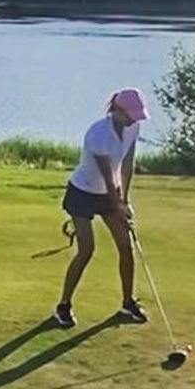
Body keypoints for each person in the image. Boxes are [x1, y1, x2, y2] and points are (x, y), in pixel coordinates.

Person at [53, 88, 149, 328]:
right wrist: (118, 207)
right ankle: (63, 306)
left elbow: (127, 165)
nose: (135, 119)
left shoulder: (133, 128)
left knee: (126, 246)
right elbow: (107, 177)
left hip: (109, 193)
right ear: (118, 111)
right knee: (86, 250)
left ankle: (127, 303)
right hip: (82, 193)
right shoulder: (98, 134)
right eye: (131, 115)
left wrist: (125, 201)